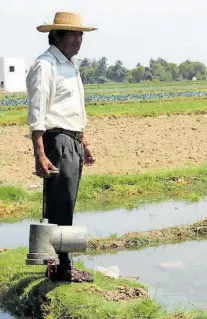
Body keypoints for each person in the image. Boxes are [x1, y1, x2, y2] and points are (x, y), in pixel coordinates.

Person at [26, 12, 97, 282]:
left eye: (81, 35)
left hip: (73, 140)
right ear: (56, 36)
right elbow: (38, 113)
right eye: (73, 35)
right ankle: (62, 268)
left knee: (66, 204)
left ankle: (59, 265)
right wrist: (40, 154)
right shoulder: (46, 65)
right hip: (57, 141)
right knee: (60, 205)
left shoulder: (70, 65)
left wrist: (85, 142)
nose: (79, 40)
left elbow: (73, 110)